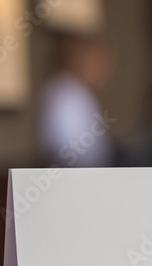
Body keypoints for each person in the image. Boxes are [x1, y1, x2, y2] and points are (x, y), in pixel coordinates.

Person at [36, 35, 115, 167]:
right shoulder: (65, 94)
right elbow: (66, 148)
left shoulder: (80, 92)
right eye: (98, 60)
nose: (105, 68)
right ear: (80, 59)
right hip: (72, 178)